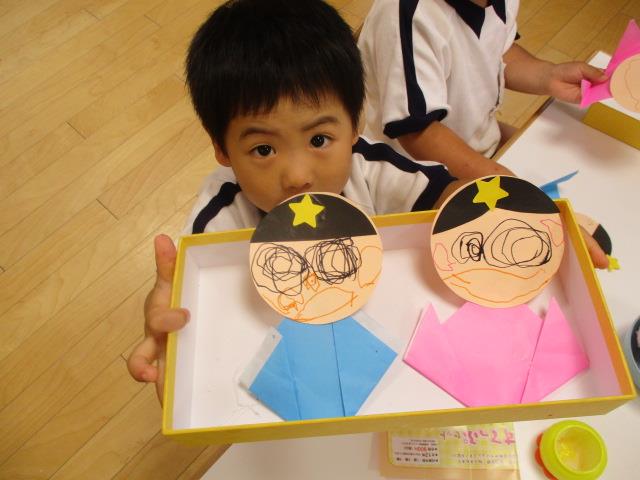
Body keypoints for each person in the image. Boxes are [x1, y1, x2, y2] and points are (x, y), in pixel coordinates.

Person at [127, 0, 608, 401]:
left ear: (355, 124)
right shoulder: (220, 217)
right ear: (222, 149)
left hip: (381, 356)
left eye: (319, 140)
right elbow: (192, 298)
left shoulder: (370, 166)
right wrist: (172, 321)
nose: (297, 176)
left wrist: (514, 213)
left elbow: (446, 192)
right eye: (263, 150)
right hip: (291, 368)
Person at [357, 0, 609, 179]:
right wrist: (501, 178)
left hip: (477, 143)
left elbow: (497, 51)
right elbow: (418, 132)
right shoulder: (408, 13)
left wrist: (549, 76)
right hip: (416, 174)